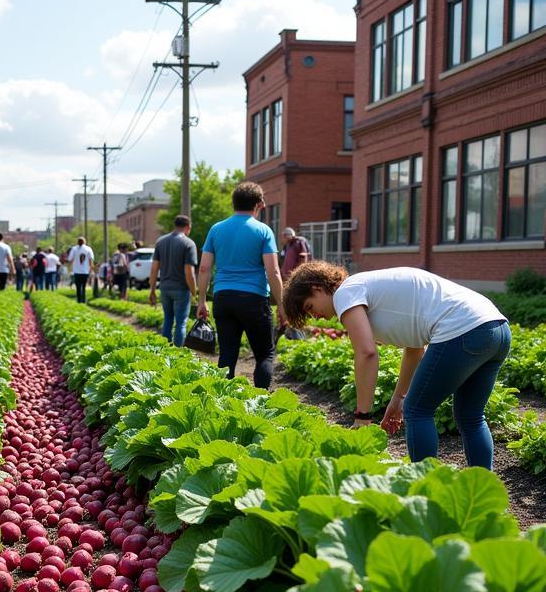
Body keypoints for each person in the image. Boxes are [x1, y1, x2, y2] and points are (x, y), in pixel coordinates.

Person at [283, 262, 511, 468]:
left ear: (317, 288)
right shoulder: (367, 287)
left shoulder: (345, 292)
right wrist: (398, 398)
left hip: (464, 329)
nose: (317, 317)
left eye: (310, 308)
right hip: (496, 327)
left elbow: (366, 353)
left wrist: (362, 416)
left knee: (418, 411)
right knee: (470, 417)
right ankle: (486, 496)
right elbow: (414, 349)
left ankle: (426, 493)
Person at [196, 181, 286, 389]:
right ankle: (260, 402)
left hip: (223, 297)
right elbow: (273, 271)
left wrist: (201, 301)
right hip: (254, 299)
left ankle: (223, 402)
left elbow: (204, 268)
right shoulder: (264, 231)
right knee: (264, 354)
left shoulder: (216, 229)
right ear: (259, 204)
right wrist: (281, 305)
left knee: (227, 354)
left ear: (233, 202)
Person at [149, 215, 198, 347]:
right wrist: (194, 292)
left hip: (164, 288)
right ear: (188, 227)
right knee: (181, 323)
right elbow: (189, 272)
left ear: (175, 225)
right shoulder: (188, 243)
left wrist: (152, 290)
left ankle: (165, 351)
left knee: (168, 320)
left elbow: (154, 269)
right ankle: (177, 353)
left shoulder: (160, 242)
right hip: (181, 289)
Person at [68, 236, 95, 303]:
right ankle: (83, 300)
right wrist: (91, 269)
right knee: (83, 286)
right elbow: (91, 260)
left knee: (78, 287)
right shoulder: (88, 249)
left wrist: (70, 267)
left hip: (77, 271)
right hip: (85, 271)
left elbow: (70, 259)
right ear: (84, 242)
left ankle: (79, 300)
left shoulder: (74, 249)